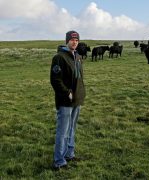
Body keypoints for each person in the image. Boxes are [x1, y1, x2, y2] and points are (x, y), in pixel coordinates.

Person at [50, 30, 86, 170]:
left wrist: (81, 93)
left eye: (77, 40)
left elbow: (79, 77)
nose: (74, 42)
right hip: (66, 100)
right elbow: (55, 80)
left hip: (77, 99)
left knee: (72, 128)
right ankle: (59, 161)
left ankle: (69, 154)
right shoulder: (59, 57)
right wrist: (67, 93)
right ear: (67, 41)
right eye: (72, 40)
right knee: (63, 131)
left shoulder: (77, 56)